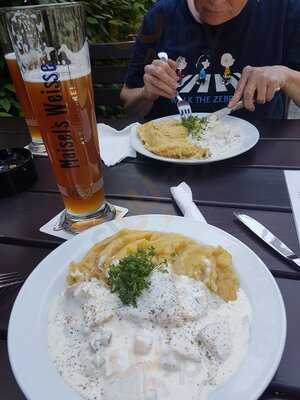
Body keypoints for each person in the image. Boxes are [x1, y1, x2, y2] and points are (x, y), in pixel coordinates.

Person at [120, 0, 300, 121]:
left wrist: (285, 75)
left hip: (261, 155)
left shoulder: (284, 10)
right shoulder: (160, 16)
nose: (215, 2)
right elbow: (129, 102)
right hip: (171, 156)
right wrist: (146, 93)